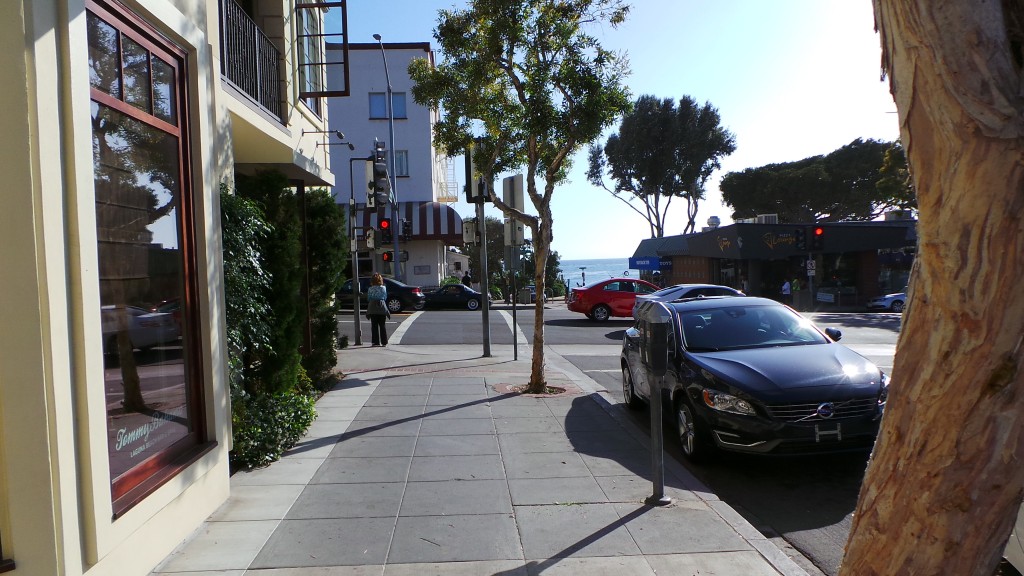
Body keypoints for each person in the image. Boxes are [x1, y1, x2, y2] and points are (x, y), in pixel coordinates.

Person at [367, 273, 389, 347]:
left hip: (373, 308)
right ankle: (384, 342)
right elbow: (385, 297)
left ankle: (375, 342)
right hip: (382, 307)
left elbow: (369, 298)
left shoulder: (370, 289)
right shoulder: (383, 288)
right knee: (382, 325)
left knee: (374, 326)